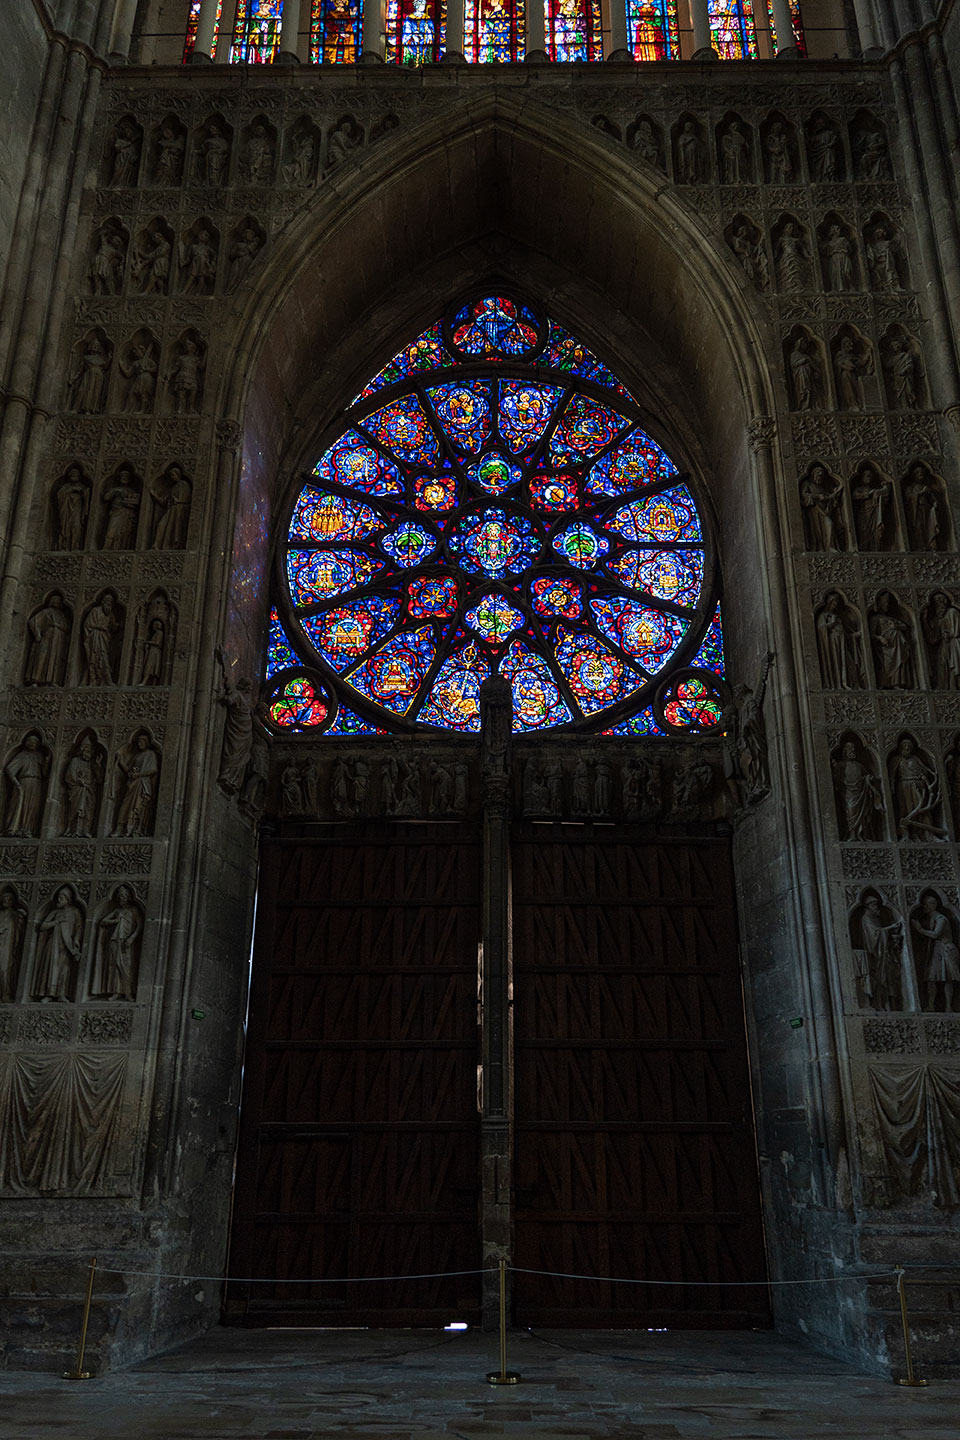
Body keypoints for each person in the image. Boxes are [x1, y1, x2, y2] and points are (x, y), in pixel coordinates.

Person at [891, 736, 946, 841]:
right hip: (903, 786)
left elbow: (925, 770)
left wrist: (922, 775)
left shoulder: (915, 759)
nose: (907, 748)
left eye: (909, 745)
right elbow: (891, 775)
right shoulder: (896, 760)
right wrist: (892, 786)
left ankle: (928, 834)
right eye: (904, 745)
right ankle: (909, 834)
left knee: (923, 809)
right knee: (906, 809)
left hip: (918, 786)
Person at [912, 893, 960, 1012]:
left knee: (948, 978)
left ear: (933, 905)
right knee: (931, 978)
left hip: (945, 950)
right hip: (936, 951)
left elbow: (936, 934)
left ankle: (949, 1007)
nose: (924, 907)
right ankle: (931, 1005)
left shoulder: (941, 919)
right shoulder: (930, 919)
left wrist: (920, 929)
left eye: (927, 904)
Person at [33, 887, 83, 1002]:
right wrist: (56, 921)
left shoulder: (75, 911)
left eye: (61, 898)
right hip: (53, 943)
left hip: (67, 945)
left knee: (64, 969)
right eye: (58, 898)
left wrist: (76, 940)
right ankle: (48, 994)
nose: (58, 900)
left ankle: (62, 994)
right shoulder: (55, 912)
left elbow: (79, 927)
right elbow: (42, 926)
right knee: (50, 967)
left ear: (68, 899)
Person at [859, 895, 907, 1010]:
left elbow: (880, 933)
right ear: (868, 906)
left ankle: (892, 1006)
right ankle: (881, 1005)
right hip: (877, 956)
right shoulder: (866, 918)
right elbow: (875, 935)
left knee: (890, 979)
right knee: (881, 979)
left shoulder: (875, 918)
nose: (876, 907)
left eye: (876, 904)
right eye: (873, 905)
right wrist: (890, 928)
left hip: (885, 953)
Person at [93, 886, 141, 1001]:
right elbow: (103, 921)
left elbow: (139, 925)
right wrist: (115, 921)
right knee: (114, 967)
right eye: (120, 897)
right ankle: (116, 991)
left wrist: (132, 938)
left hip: (127, 941)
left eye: (123, 896)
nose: (121, 899)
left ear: (128, 897)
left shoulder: (134, 910)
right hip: (115, 940)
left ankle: (128, 993)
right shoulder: (117, 911)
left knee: (127, 968)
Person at [833, 741, 881, 840]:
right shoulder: (841, 765)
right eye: (849, 748)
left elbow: (866, 775)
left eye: (853, 748)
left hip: (861, 793)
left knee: (863, 815)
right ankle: (852, 834)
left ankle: (862, 835)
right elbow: (837, 780)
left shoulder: (859, 765)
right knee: (850, 812)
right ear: (844, 751)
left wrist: (869, 778)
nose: (852, 750)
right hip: (848, 793)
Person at [114, 735, 159, 836]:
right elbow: (128, 770)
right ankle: (121, 828)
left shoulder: (151, 754)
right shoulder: (137, 756)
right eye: (138, 742)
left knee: (138, 806)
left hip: (142, 784)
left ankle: (135, 829)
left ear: (146, 742)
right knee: (126, 806)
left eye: (141, 742)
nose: (139, 744)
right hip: (132, 784)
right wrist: (121, 761)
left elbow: (153, 770)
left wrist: (139, 774)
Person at [3, 734, 47, 836]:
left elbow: (44, 774)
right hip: (24, 782)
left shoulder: (39, 756)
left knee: (32, 807)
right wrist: (16, 783)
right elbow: (9, 769)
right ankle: (13, 829)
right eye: (30, 741)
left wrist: (47, 763)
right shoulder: (22, 755)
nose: (32, 743)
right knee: (19, 805)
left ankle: (28, 830)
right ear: (26, 743)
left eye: (35, 742)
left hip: (36, 783)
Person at [816, 592, 860, 689]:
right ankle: (838, 684)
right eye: (834, 603)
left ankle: (851, 684)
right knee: (837, 662)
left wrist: (853, 635)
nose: (835, 605)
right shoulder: (824, 615)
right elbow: (821, 628)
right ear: (829, 603)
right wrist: (832, 623)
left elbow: (843, 632)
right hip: (833, 641)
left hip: (842, 640)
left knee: (850, 663)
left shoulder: (837, 617)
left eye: (836, 603)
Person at [25, 593, 70, 686]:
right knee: (42, 657)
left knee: (55, 660)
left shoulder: (62, 615)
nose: (57, 602)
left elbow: (67, 627)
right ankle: (35, 680)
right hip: (47, 636)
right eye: (55, 600)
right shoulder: (46, 612)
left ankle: (52, 681)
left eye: (59, 601)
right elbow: (33, 621)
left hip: (58, 641)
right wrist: (37, 634)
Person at [800, 465, 843, 550]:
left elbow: (828, 497)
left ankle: (830, 547)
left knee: (829, 524)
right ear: (813, 475)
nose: (820, 478)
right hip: (814, 511)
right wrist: (817, 497)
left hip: (824, 511)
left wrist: (833, 496)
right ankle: (821, 548)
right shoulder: (807, 484)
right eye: (818, 476)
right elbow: (804, 496)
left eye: (821, 476)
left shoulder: (821, 488)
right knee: (819, 530)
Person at [63, 737, 100, 837]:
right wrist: (79, 781)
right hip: (78, 789)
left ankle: (85, 830)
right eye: (85, 749)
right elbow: (69, 775)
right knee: (76, 809)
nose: (87, 752)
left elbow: (99, 779)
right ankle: (73, 830)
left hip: (89, 790)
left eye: (89, 750)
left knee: (88, 810)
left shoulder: (92, 764)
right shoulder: (75, 761)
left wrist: (97, 766)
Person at [82, 592, 119, 685]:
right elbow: (87, 624)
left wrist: (117, 627)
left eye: (111, 603)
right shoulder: (95, 610)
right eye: (107, 602)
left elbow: (114, 627)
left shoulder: (110, 614)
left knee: (104, 659)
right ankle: (93, 679)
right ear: (103, 602)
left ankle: (105, 680)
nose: (109, 605)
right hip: (95, 637)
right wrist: (99, 627)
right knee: (93, 658)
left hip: (105, 639)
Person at [926, 592, 960, 690]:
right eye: (936, 604)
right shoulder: (937, 619)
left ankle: (954, 685)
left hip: (954, 643)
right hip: (944, 644)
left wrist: (950, 634)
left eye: (939, 603)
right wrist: (924, 622)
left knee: (954, 662)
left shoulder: (952, 612)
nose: (938, 606)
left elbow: (957, 629)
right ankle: (943, 686)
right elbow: (932, 639)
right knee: (941, 663)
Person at [151, 466, 191, 550]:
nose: (172, 477)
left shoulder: (183, 484)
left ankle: (174, 545)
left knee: (175, 529)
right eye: (171, 475)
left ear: (178, 475)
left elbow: (186, 499)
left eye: (173, 475)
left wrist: (178, 500)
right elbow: (164, 501)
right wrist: (155, 496)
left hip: (178, 510)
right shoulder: (173, 487)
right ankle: (157, 545)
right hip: (171, 510)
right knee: (161, 525)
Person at [852, 467, 890, 551]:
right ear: (862, 477)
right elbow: (854, 496)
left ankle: (875, 548)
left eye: (870, 476)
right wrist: (868, 494)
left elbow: (885, 495)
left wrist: (885, 487)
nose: (869, 478)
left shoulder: (875, 490)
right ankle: (864, 549)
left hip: (874, 512)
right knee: (864, 532)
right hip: (864, 513)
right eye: (867, 476)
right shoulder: (859, 489)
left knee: (875, 531)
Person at [101, 468, 140, 549]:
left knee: (124, 533)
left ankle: (120, 548)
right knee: (111, 530)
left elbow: (135, 504)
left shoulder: (131, 491)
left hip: (126, 514)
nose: (124, 478)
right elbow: (106, 497)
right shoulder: (115, 489)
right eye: (122, 477)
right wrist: (116, 491)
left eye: (126, 477)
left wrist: (127, 503)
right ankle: (107, 547)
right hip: (116, 512)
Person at [55, 465, 89, 550]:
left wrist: (83, 493)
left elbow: (86, 498)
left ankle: (75, 546)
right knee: (64, 527)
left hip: (77, 510)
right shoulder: (65, 486)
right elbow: (59, 496)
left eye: (76, 475)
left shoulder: (82, 487)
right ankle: (63, 546)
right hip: (66, 511)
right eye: (72, 475)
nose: (74, 477)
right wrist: (71, 490)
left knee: (76, 526)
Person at [0, 887, 25, 1002]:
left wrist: (21, 919)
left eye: (9, 899)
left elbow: (19, 931)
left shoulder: (15, 915)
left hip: (8, 946)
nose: (6, 901)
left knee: (6, 969)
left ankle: (6, 993)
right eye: (4, 898)